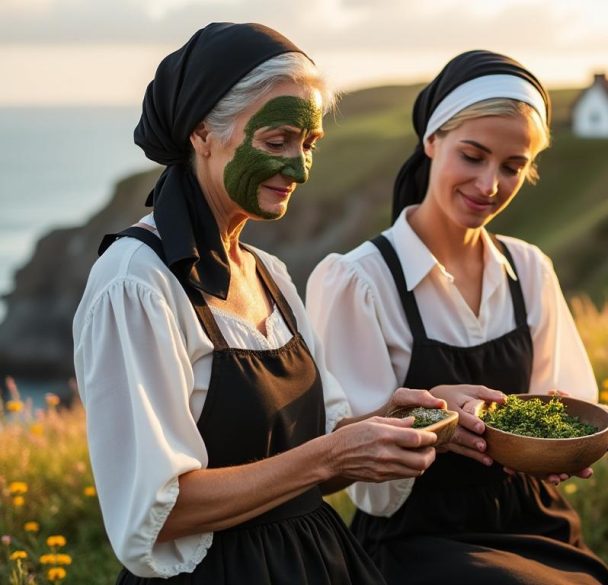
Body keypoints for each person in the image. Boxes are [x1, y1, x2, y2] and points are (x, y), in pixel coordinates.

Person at [72, 22, 442, 584]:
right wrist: (331, 456)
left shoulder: (270, 274)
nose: (298, 168)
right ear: (202, 133)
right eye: (277, 142)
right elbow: (157, 511)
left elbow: (321, 455)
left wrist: (404, 420)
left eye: (308, 145)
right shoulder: (135, 284)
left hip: (316, 560)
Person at [306, 50, 608, 584]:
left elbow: (563, 403)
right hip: (418, 541)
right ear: (431, 141)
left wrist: (562, 447)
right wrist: (430, 420)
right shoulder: (359, 280)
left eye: (513, 166)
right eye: (472, 156)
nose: (490, 185)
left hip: (535, 523)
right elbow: (348, 465)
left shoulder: (528, 269)